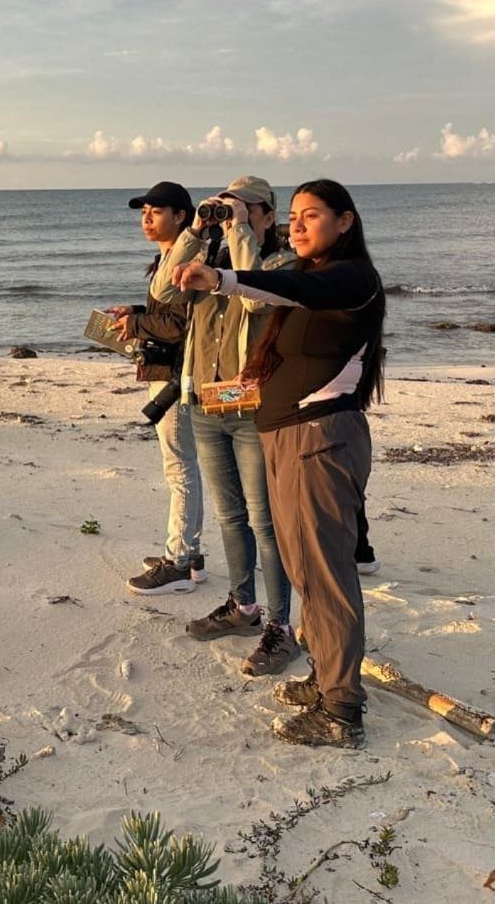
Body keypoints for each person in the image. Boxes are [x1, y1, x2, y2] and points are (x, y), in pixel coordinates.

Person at [173, 179, 385, 748]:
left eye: (311, 215)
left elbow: (288, 288)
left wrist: (222, 278)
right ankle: (324, 676)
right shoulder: (313, 279)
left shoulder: (352, 278)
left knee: (326, 574)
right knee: (303, 570)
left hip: (320, 441)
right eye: (295, 215)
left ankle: (341, 710)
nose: (298, 225)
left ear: (345, 220)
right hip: (290, 439)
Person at [152, 175, 298, 677]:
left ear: (268, 214)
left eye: (246, 207)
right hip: (207, 405)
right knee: (231, 516)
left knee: (265, 521)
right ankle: (243, 606)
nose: (233, 214)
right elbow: (162, 292)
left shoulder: (282, 263)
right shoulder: (208, 257)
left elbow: (255, 298)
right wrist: (195, 231)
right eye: (227, 205)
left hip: (255, 410)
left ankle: (281, 626)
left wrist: (238, 233)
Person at [104, 182, 205, 595]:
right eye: (143, 211)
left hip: (176, 376)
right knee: (184, 466)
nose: (146, 218)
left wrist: (137, 323)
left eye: (156, 211)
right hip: (167, 371)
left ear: (181, 216)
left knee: (180, 468)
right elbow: (171, 313)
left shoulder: (188, 259)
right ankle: (190, 555)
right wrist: (137, 312)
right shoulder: (168, 256)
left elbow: (180, 326)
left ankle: (178, 562)